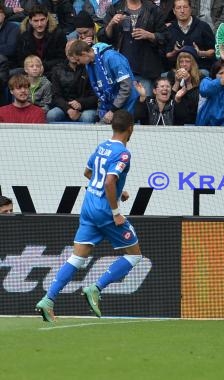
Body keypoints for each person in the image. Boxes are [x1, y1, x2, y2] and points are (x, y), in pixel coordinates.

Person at [35, 110, 143, 323]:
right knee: (134, 255)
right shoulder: (123, 153)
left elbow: (88, 173)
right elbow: (109, 181)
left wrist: (119, 191)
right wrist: (116, 212)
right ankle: (95, 288)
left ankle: (48, 300)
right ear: (131, 128)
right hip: (105, 211)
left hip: (88, 207)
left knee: (77, 258)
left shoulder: (102, 146)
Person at [99, 0, 168, 96]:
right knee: (125, 107)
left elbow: (165, 37)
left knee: (144, 105)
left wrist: (149, 35)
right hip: (121, 69)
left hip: (146, 69)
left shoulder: (153, 9)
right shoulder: (115, 8)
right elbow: (103, 38)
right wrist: (111, 24)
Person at [68, 40, 139, 124]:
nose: (78, 63)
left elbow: (126, 87)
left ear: (84, 54)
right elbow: (99, 89)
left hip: (127, 104)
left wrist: (113, 110)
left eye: (78, 60)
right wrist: (101, 111)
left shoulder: (112, 57)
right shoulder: (89, 65)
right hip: (112, 106)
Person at [47, 40, 99, 123]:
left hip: (86, 107)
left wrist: (80, 104)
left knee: (87, 117)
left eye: (73, 49)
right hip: (65, 106)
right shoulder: (57, 70)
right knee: (52, 115)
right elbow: (56, 96)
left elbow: (96, 95)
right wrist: (68, 109)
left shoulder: (90, 68)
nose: (70, 52)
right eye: (68, 49)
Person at [165, 0, 216, 74]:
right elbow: (167, 55)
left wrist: (200, 53)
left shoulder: (203, 27)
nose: (182, 11)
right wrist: (175, 52)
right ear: (174, 11)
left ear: (190, 9)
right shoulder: (170, 29)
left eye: (185, 7)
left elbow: (212, 51)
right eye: (179, 8)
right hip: (177, 70)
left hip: (200, 69)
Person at [16, 5, 67, 76]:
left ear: (47, 19)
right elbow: (20, 59)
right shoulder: (23, 36)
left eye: (42, 20)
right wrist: (33, 67)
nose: (39, 24)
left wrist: (43, 65)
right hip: (30, 70)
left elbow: (62, 58)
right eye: (36, 21)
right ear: (30, 21)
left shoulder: (58, 34)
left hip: (52, 70)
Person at [167, 48, 201, 124]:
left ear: (193, 63)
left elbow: (196, 103)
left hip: (193, 115)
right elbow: (168, 101)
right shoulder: (172, 74)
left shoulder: (201, 77)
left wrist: (188, 83)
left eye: (187, 61)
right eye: (181, 61)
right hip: (175, 115)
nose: (184, 64)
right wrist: (176, 82)